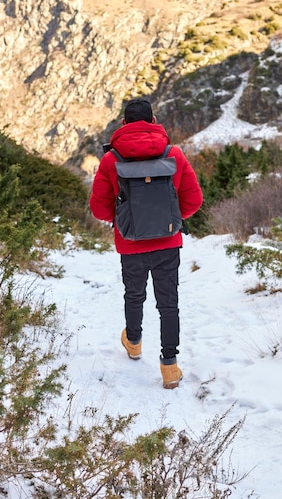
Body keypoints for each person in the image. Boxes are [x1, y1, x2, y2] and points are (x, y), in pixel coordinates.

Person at [89, 98, 203, 389]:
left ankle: (135, 343)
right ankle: (169, 367)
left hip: (130, 243)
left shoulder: (111, 160)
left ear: (124, 124)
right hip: (168, 242)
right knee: (168, 304)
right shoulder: (173, 154)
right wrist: (170, 219)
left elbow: (99, 209)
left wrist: (124, 220)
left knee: (134, 295)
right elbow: (194, 200)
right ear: (154, 121)